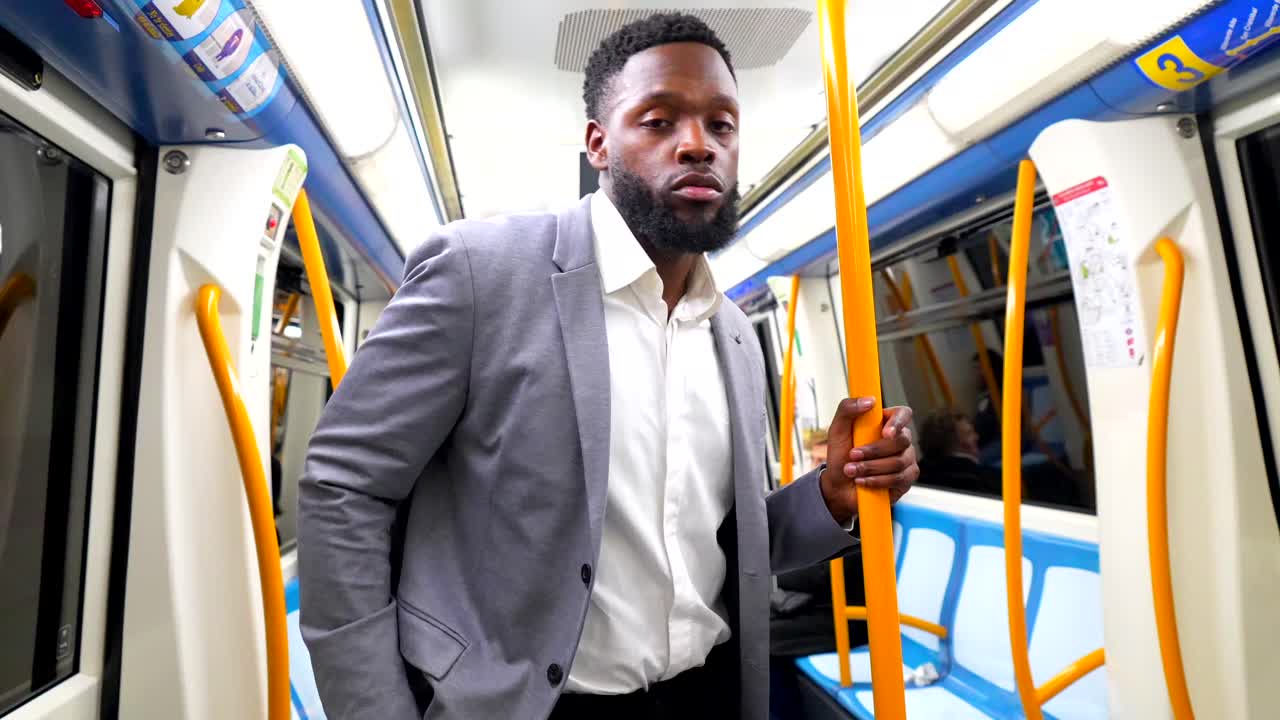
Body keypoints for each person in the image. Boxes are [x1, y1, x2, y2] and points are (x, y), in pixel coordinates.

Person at [298, 13, 918, 720]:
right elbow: (345, 488)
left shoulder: (735, 335)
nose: (698, 144)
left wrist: (834, 494)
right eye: (659, 121)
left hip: (708, 694)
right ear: (598, 143)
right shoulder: (481, 274)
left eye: (721, 124)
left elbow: (723, 543)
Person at [917, 411, 1001, 497]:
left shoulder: (922, 475)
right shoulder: (973, 478)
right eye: (969, 433)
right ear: (952, 444)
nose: (977, 437)